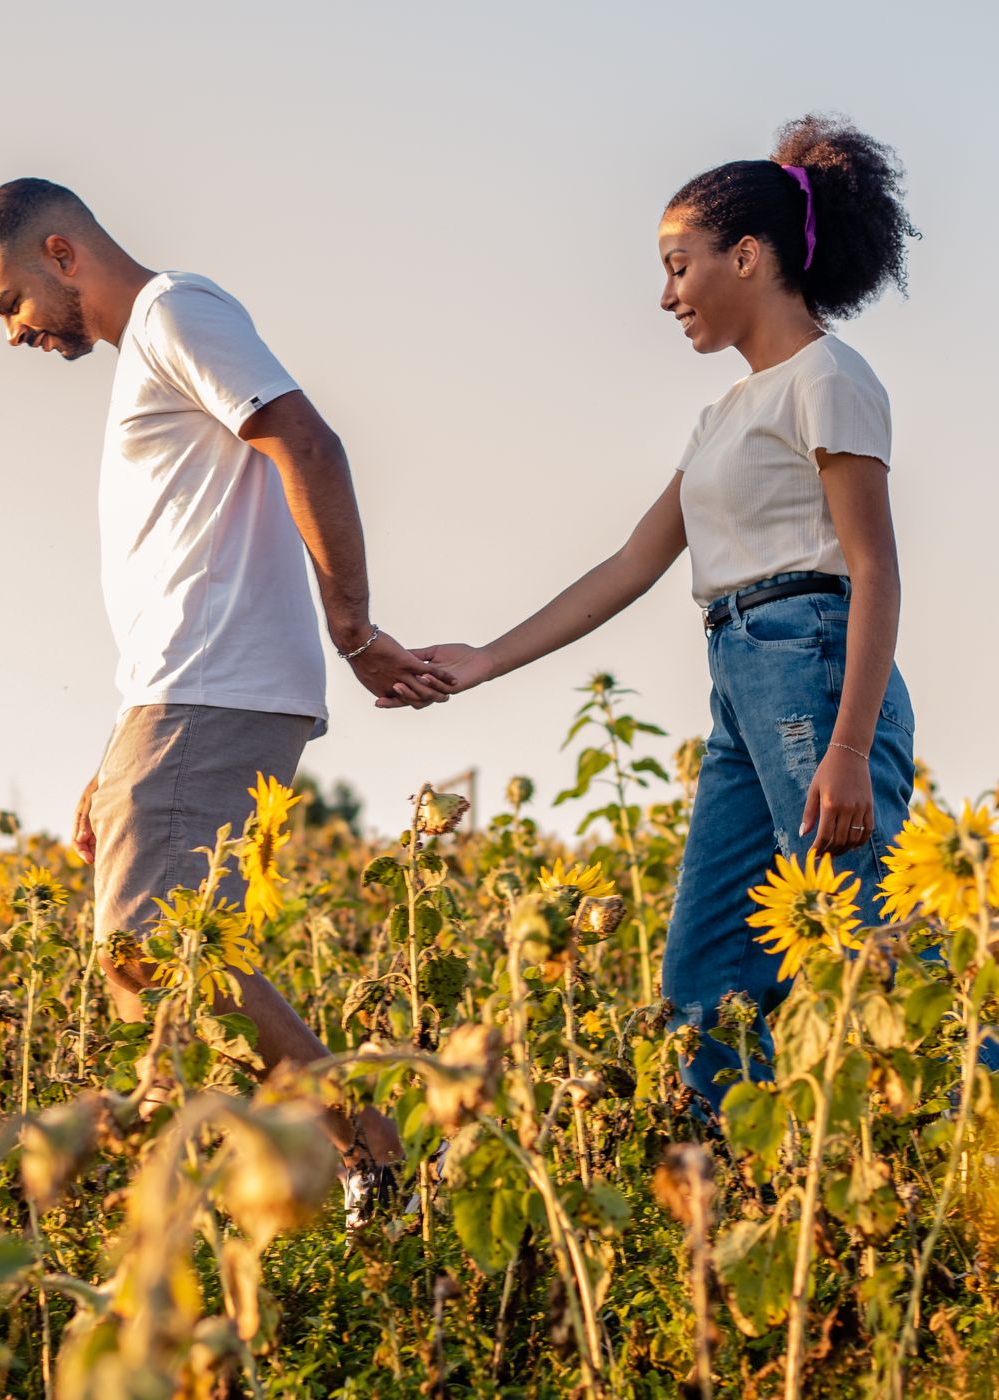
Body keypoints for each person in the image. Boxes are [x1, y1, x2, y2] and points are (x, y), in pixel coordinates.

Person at [388, 115, 926, 1112]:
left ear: (748, 255)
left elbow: (873, 567)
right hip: (741, 680)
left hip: (812, 663)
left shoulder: (826, 378)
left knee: (869, 943)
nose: (666, 292)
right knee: (705, 974)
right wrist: (483, 658)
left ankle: (960, 1150)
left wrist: (848, 745)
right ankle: (733, 1195)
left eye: (679, 265)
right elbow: (633, 560)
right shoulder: (725, 413)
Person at [0, 178, 454, 1212]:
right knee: (154, 959)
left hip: (209, 686)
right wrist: (114, 754)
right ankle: (320, 1160)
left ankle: (365, 1145)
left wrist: (352, 627)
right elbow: (175, 574)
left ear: (61, 252)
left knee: (152, 949)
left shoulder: (174, 312)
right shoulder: (154, 343)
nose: (11, 332)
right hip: (176, 691)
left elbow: (307, 442)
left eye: (8, 301)